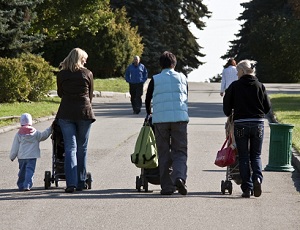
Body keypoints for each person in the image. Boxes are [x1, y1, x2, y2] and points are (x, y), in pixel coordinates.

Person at [223, 59, 271, 198]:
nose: (237, 74)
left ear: (243, 71)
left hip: (241, 124)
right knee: (255, 155)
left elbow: (226, 109)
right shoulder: (260, 86)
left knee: (243, 156)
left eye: (238, 71)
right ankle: (257, 178)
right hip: (257, 124)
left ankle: (247, 187)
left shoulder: (234, 86)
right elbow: (267, 107)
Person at [145, 51, 189, 195]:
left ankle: (167, 187)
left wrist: (149, 112)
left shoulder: (155, 79)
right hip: (179, 120)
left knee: (163, 153)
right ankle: (179, 177)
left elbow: (148, 98)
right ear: (174, 64)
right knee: (180, 151)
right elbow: (185, 95)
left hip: (161, 121)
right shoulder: (182, 78)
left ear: (161, 64)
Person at [56, 48, 96, 193]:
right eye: (84, 58)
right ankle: (81, 181)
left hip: (66, 112)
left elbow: (60, 93)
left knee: (70, 148)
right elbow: (90, 95)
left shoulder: (62, 74)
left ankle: (70, 183)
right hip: (84, 112)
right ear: (80, 59)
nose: (86, 61)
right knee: (82, 148)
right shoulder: (87, 74)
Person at [10, 113, 52, 191]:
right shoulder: (35, 133)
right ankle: (27, 185)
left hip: (22, 157)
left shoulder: (19, 134)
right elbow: (44, 136)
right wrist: (50, 129)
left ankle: (21, 184)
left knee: (22, 171)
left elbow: (15, 146)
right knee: (30, 171)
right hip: (32, 156)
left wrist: (12, 156)